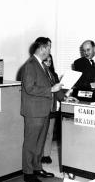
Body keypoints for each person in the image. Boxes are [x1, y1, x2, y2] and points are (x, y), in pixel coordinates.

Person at [21, 37, 64, 182]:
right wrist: (51, 89)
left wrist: (59, 92)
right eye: (49, 48)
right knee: (31, 143)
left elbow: (49, 84)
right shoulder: (30, 65)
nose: (50, 51)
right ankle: (28, 173)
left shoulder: (42, 65)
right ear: (42, 48)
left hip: (44, 111)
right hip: (34, 112)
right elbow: (29, 87)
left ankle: (37, 167)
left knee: (39, 143)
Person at [41, 54, 60, 164]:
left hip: (52, 107)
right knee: (41, 133)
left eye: (50, 61)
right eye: (46, 61)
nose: (48, 62)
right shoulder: (40, 74)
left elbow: (58, 90)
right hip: (43, 107)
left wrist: (66, 97)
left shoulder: (54, 74)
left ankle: (46, 154)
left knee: (49, 133)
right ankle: (38, 154)